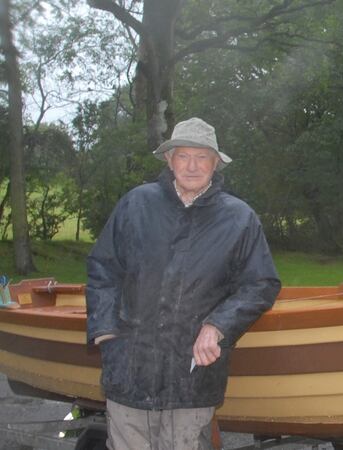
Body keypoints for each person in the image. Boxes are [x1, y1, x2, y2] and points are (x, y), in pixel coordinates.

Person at [86, 117, 281, 450]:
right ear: (169, 159)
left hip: (192, 377)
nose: (192, 166)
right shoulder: (136, 205)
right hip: (130, 370)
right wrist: (106, 333)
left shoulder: (239, 218)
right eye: (183, 155)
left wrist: (218, 326)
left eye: (202, 157)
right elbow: (103, 269)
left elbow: (260, 284)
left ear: (215, 163)